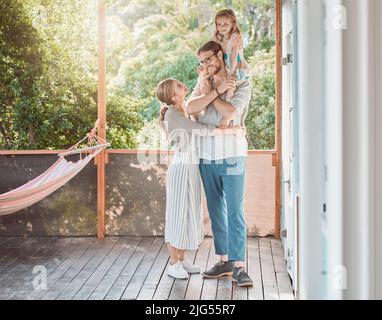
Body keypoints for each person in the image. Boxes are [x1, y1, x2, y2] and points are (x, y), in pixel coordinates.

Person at [157, 78, 245, 280]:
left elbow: (200, 99)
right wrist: (232, 130)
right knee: (177, 214)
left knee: (188, 213)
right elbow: (202, 131)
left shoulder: (183, 109)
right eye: (179, 86)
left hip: (191, 168)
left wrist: (202, 79)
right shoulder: (173, 114)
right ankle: (173, 263)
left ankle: (182, 259)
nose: (182, 84)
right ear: (173, 96)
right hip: (182, 168)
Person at [186, 40, 253, 287]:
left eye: (209, 59)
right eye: (202, 61)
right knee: (216, 212)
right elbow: (190, 107)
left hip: (233, 155)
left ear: (221, 55)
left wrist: (211, 93)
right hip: (206, 156)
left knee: (235, 211)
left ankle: (239, 267)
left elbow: (229, 113)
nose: (206, 65)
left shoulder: (242, 82)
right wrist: (213, 90)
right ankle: (224, 261)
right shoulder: (203, 83)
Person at [213, 8, 251, 128]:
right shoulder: (219, 37)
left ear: (233, 23)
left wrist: (231, 72)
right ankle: (220, 110)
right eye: (219, 24)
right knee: (222, 86)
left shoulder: (236, 37)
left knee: (231, 88)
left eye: (225, 24)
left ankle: (227, 116)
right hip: (225, 67)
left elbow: (234, 58)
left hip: (237, 67)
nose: (222, 27)